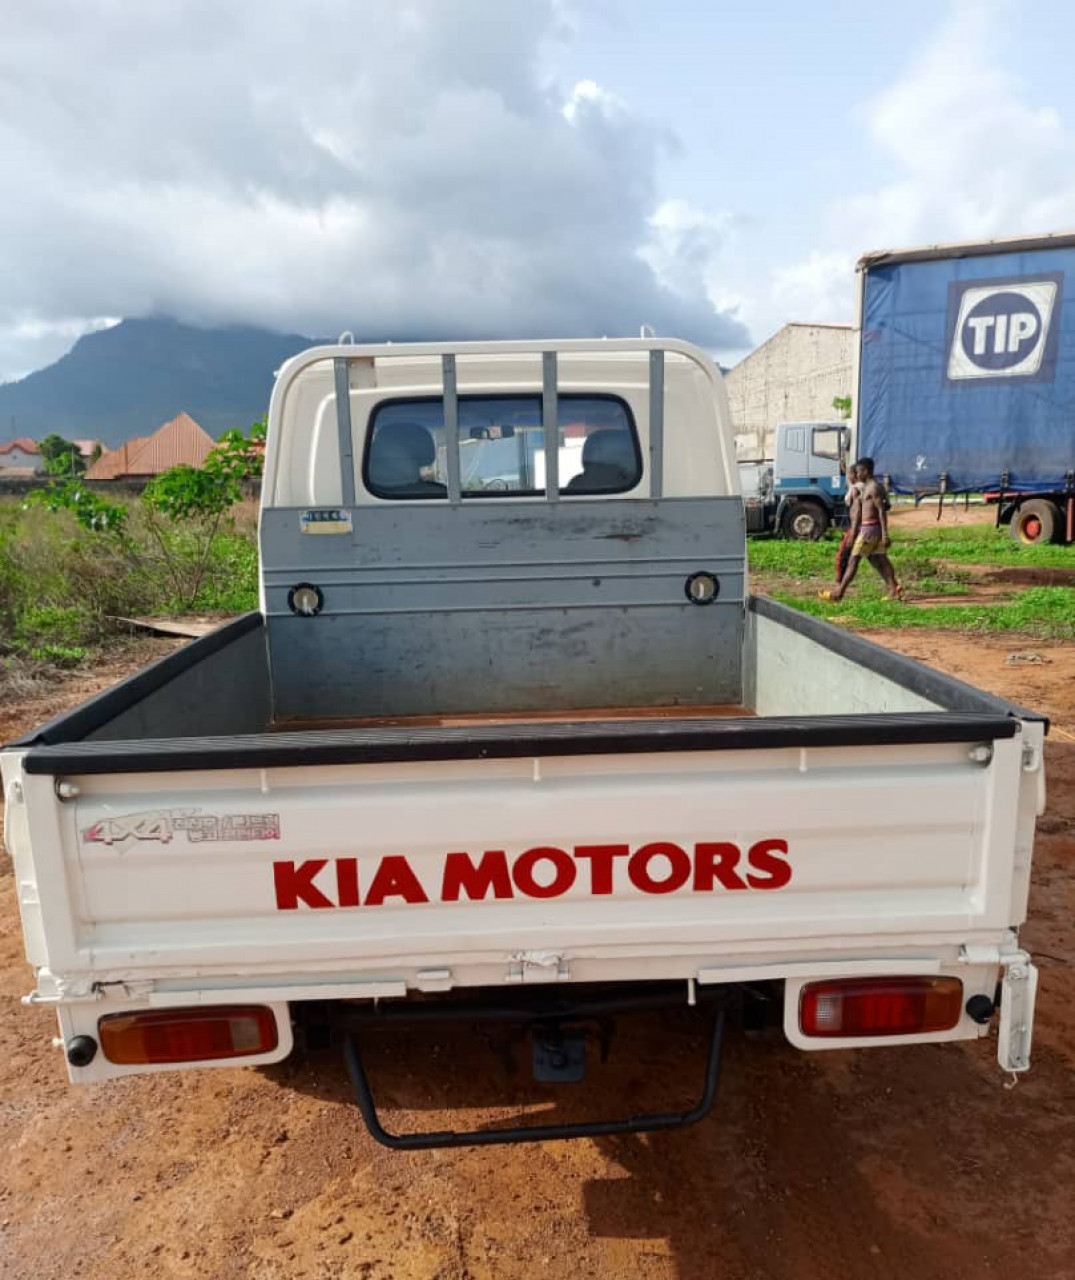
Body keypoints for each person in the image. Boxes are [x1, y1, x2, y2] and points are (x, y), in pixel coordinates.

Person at [819, 457, 903, 602]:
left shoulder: (873, 488)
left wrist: (885, 534)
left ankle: (839, 593)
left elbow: (882, 511)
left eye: (858, 472)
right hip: (870, 528)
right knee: (881, 560)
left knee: (854, 559)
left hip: (869, 529)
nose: (857, 475)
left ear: (866, 471)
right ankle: (894, 589)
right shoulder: (869, 487)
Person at [834, 463, 864, 583]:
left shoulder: (856, 489)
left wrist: (853, 531)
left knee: (844, 555)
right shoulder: (860, 486)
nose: (848, 477)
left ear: (854, 475)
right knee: (877, 560)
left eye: (849, 474)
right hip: (862, 526)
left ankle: (840, 582)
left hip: (856, 526)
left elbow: (856, 510)